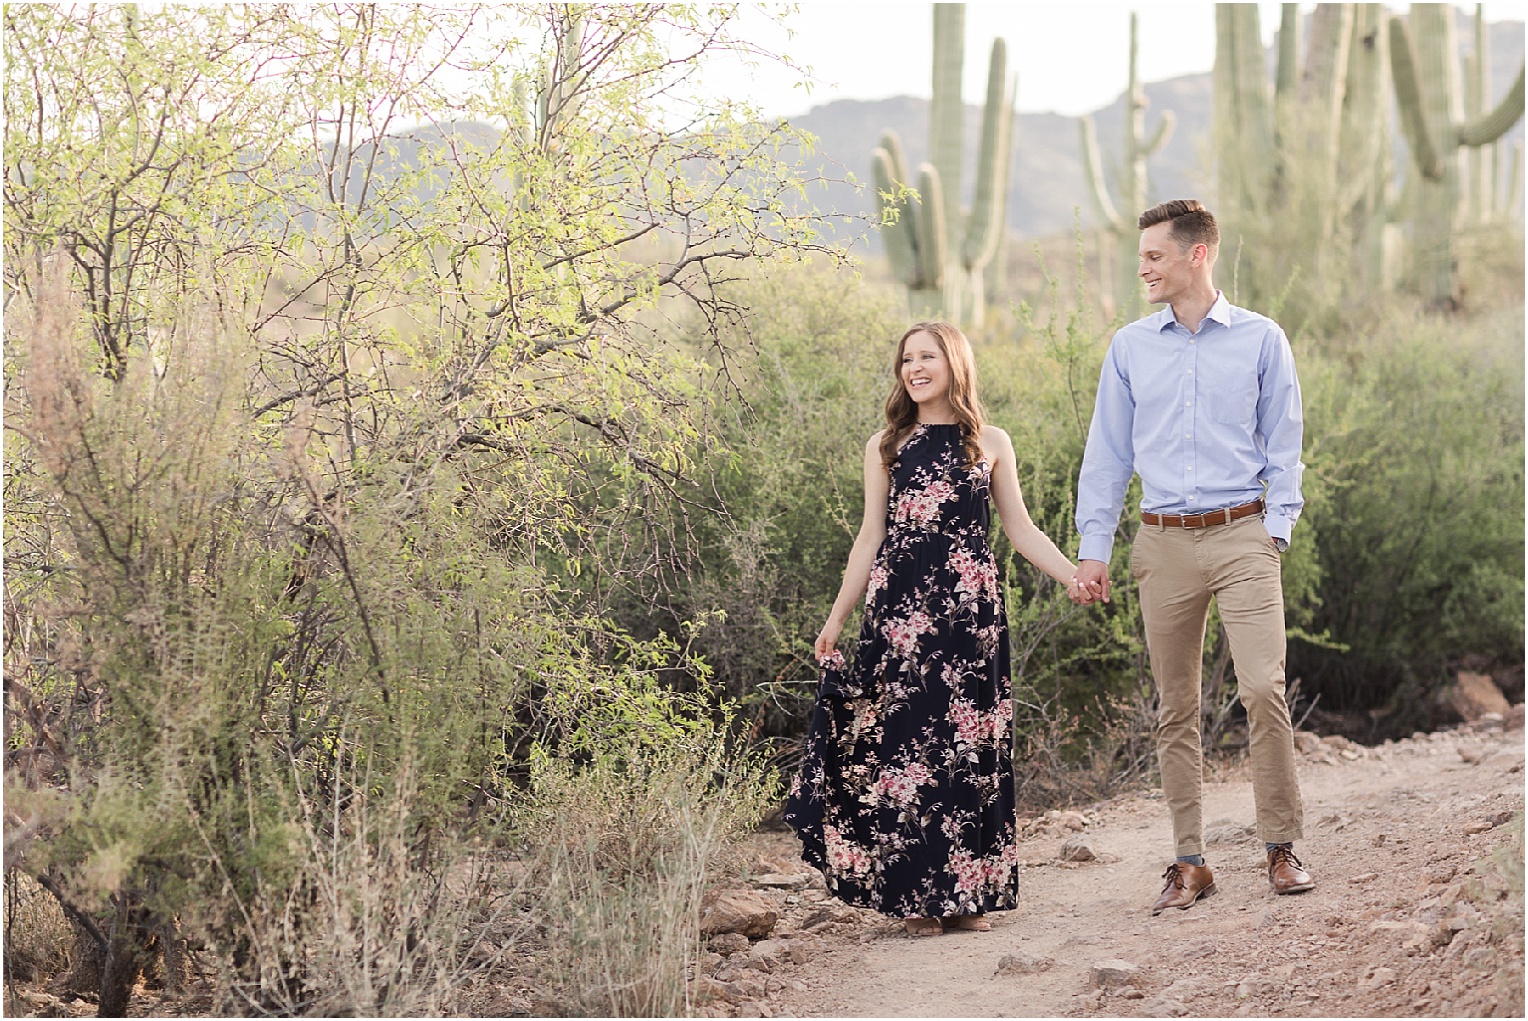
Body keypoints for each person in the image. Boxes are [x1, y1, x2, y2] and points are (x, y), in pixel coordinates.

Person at [783, 321, 1086, 937]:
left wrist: (1073, 577)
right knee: (907, 747)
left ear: (955, 363)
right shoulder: (887, 444)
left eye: (927, 356)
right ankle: (917, 893)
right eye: (906, 359)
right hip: (901, 618)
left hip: (972, 621)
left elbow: (1020, 531)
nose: (915, 368)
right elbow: (869, 537)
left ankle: (969, 894)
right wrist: (835, 619)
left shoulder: (990, 441)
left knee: (972, 747)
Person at [1072, 199, 1315, 914]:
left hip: (1243, 532)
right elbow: (1107, 457)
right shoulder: (1129, 347)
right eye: (1142, 255)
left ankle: (1281, 847)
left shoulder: (1263, 339)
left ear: (1196, 254)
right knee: (1175, 706)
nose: (1143, 267)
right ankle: (1189, 862)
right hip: (1163, 541)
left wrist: (1275, 529)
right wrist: (1094, 549)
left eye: (1154, 255)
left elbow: (1286, 443)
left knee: (1263, 689)